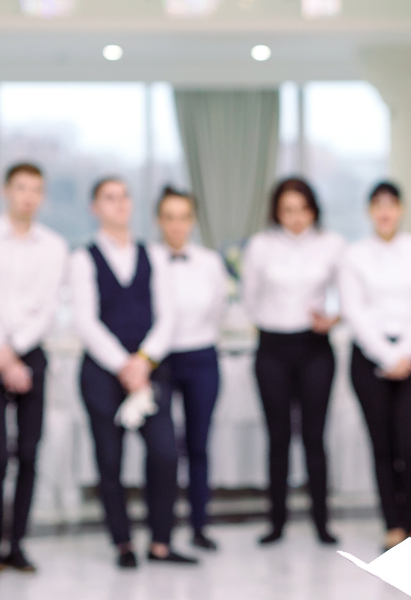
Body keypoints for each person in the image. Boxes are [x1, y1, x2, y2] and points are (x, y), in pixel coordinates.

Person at [69, 177, 196, 569]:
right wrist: (122, 365)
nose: (119, 204)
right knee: (110, 458)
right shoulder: (82, 258)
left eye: (124, 196)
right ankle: (122, 542)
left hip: (149, 370)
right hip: (102, 373)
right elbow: (85, 322)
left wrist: (143, 360)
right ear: (95, 207)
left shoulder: (152, 255)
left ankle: (161, 541)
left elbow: (168, 314)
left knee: (163, 453)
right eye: (109, 197)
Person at [0, 163, 69, 574]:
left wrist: (16, 352)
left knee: (28, 452)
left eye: (36, 190)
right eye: (21, 188)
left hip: (31, 353)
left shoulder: (55, 246)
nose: (28, 196)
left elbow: (48, 307)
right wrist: (0, 352)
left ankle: (18, 543)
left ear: (42, 196)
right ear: (6, 190)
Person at [339, 182, 411, 551]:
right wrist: (386, 356)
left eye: (391, 205)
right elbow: (355, 310)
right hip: (370, 360)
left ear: (400, 209)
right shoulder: (354, 255)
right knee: (382, 444)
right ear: (370, 211)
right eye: (378, 206)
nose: (385, 212)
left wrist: (406, 353)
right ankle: (393, 525)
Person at [242, 177, 345, 546]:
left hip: (315, 347)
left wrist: (331, 316)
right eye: (288, 210)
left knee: (315, 438)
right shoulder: (260, 246)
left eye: (302, 209)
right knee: (278, 438)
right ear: (276, 212)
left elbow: (345, 295)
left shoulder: (332, 244)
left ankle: (322, 522)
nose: (296, 217)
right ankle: (277, 522)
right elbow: (249, 298)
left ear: (313, 209)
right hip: (272, 348)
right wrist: (274, 320)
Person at [151, 186, 228, 552]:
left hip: (201, 357)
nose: (177, 225)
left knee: (198, 444)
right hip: (160, 361)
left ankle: (200, 525)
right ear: (158, 221)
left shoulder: (210, 261)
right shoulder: (148, 258)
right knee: (163, 447)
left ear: (192, 221)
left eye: (183, 217)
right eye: (170, 217)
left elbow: (218, 308)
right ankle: (160, 529)